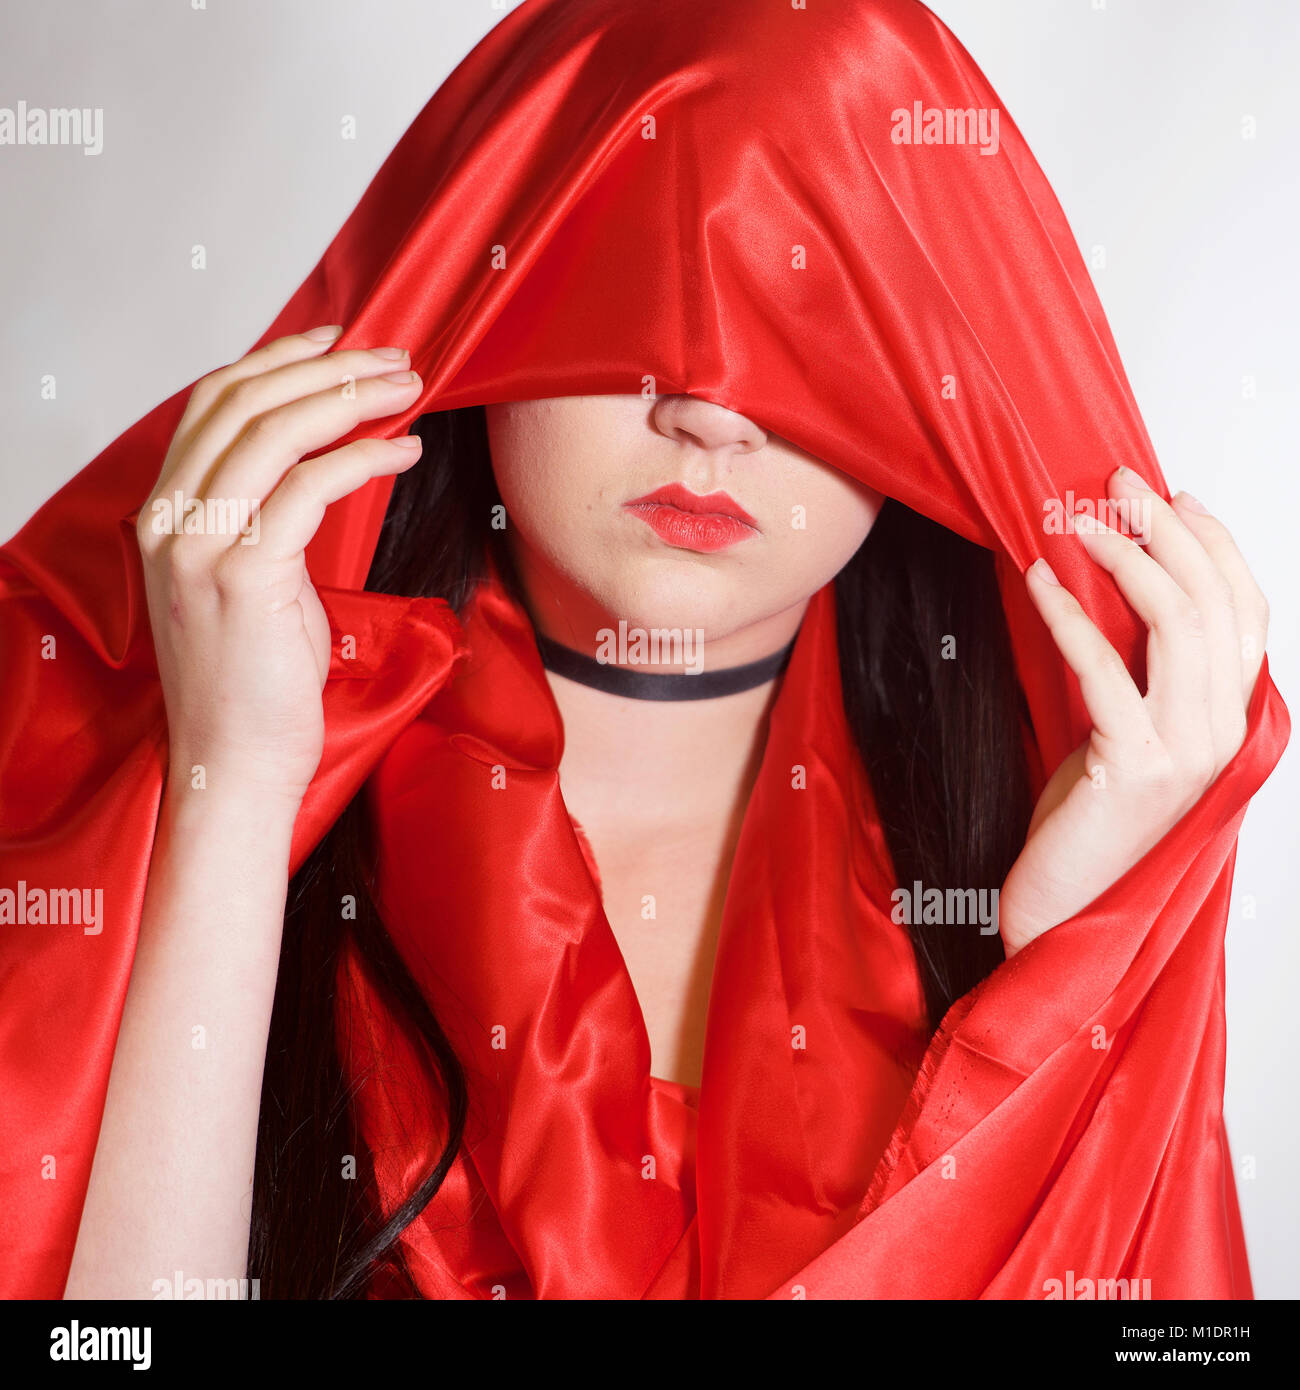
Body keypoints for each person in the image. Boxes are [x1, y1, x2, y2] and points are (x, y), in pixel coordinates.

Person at [2, 0, 1287, 1301]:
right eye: (632, 283)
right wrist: (232, 792)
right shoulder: (128, 760)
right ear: (486, 293)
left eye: (814, 318)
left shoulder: (1036, 832)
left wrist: (1078, 974)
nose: (714, 409)